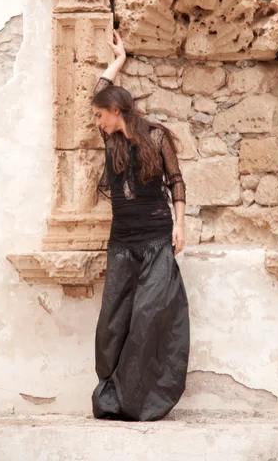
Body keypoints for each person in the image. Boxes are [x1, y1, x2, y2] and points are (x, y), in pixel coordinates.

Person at [91, 30, 190, 422]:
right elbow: (99, 88)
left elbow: (176, 181)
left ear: (117, 111)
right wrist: (119, 59)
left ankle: (143, 400)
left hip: (156, 241)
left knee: (148, 319)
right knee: (113, 323)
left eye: (100, 114)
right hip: (122, 244)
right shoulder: (110, 140)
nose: (97, 120)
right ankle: (113, 399)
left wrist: (180, 225)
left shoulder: (156, 136)